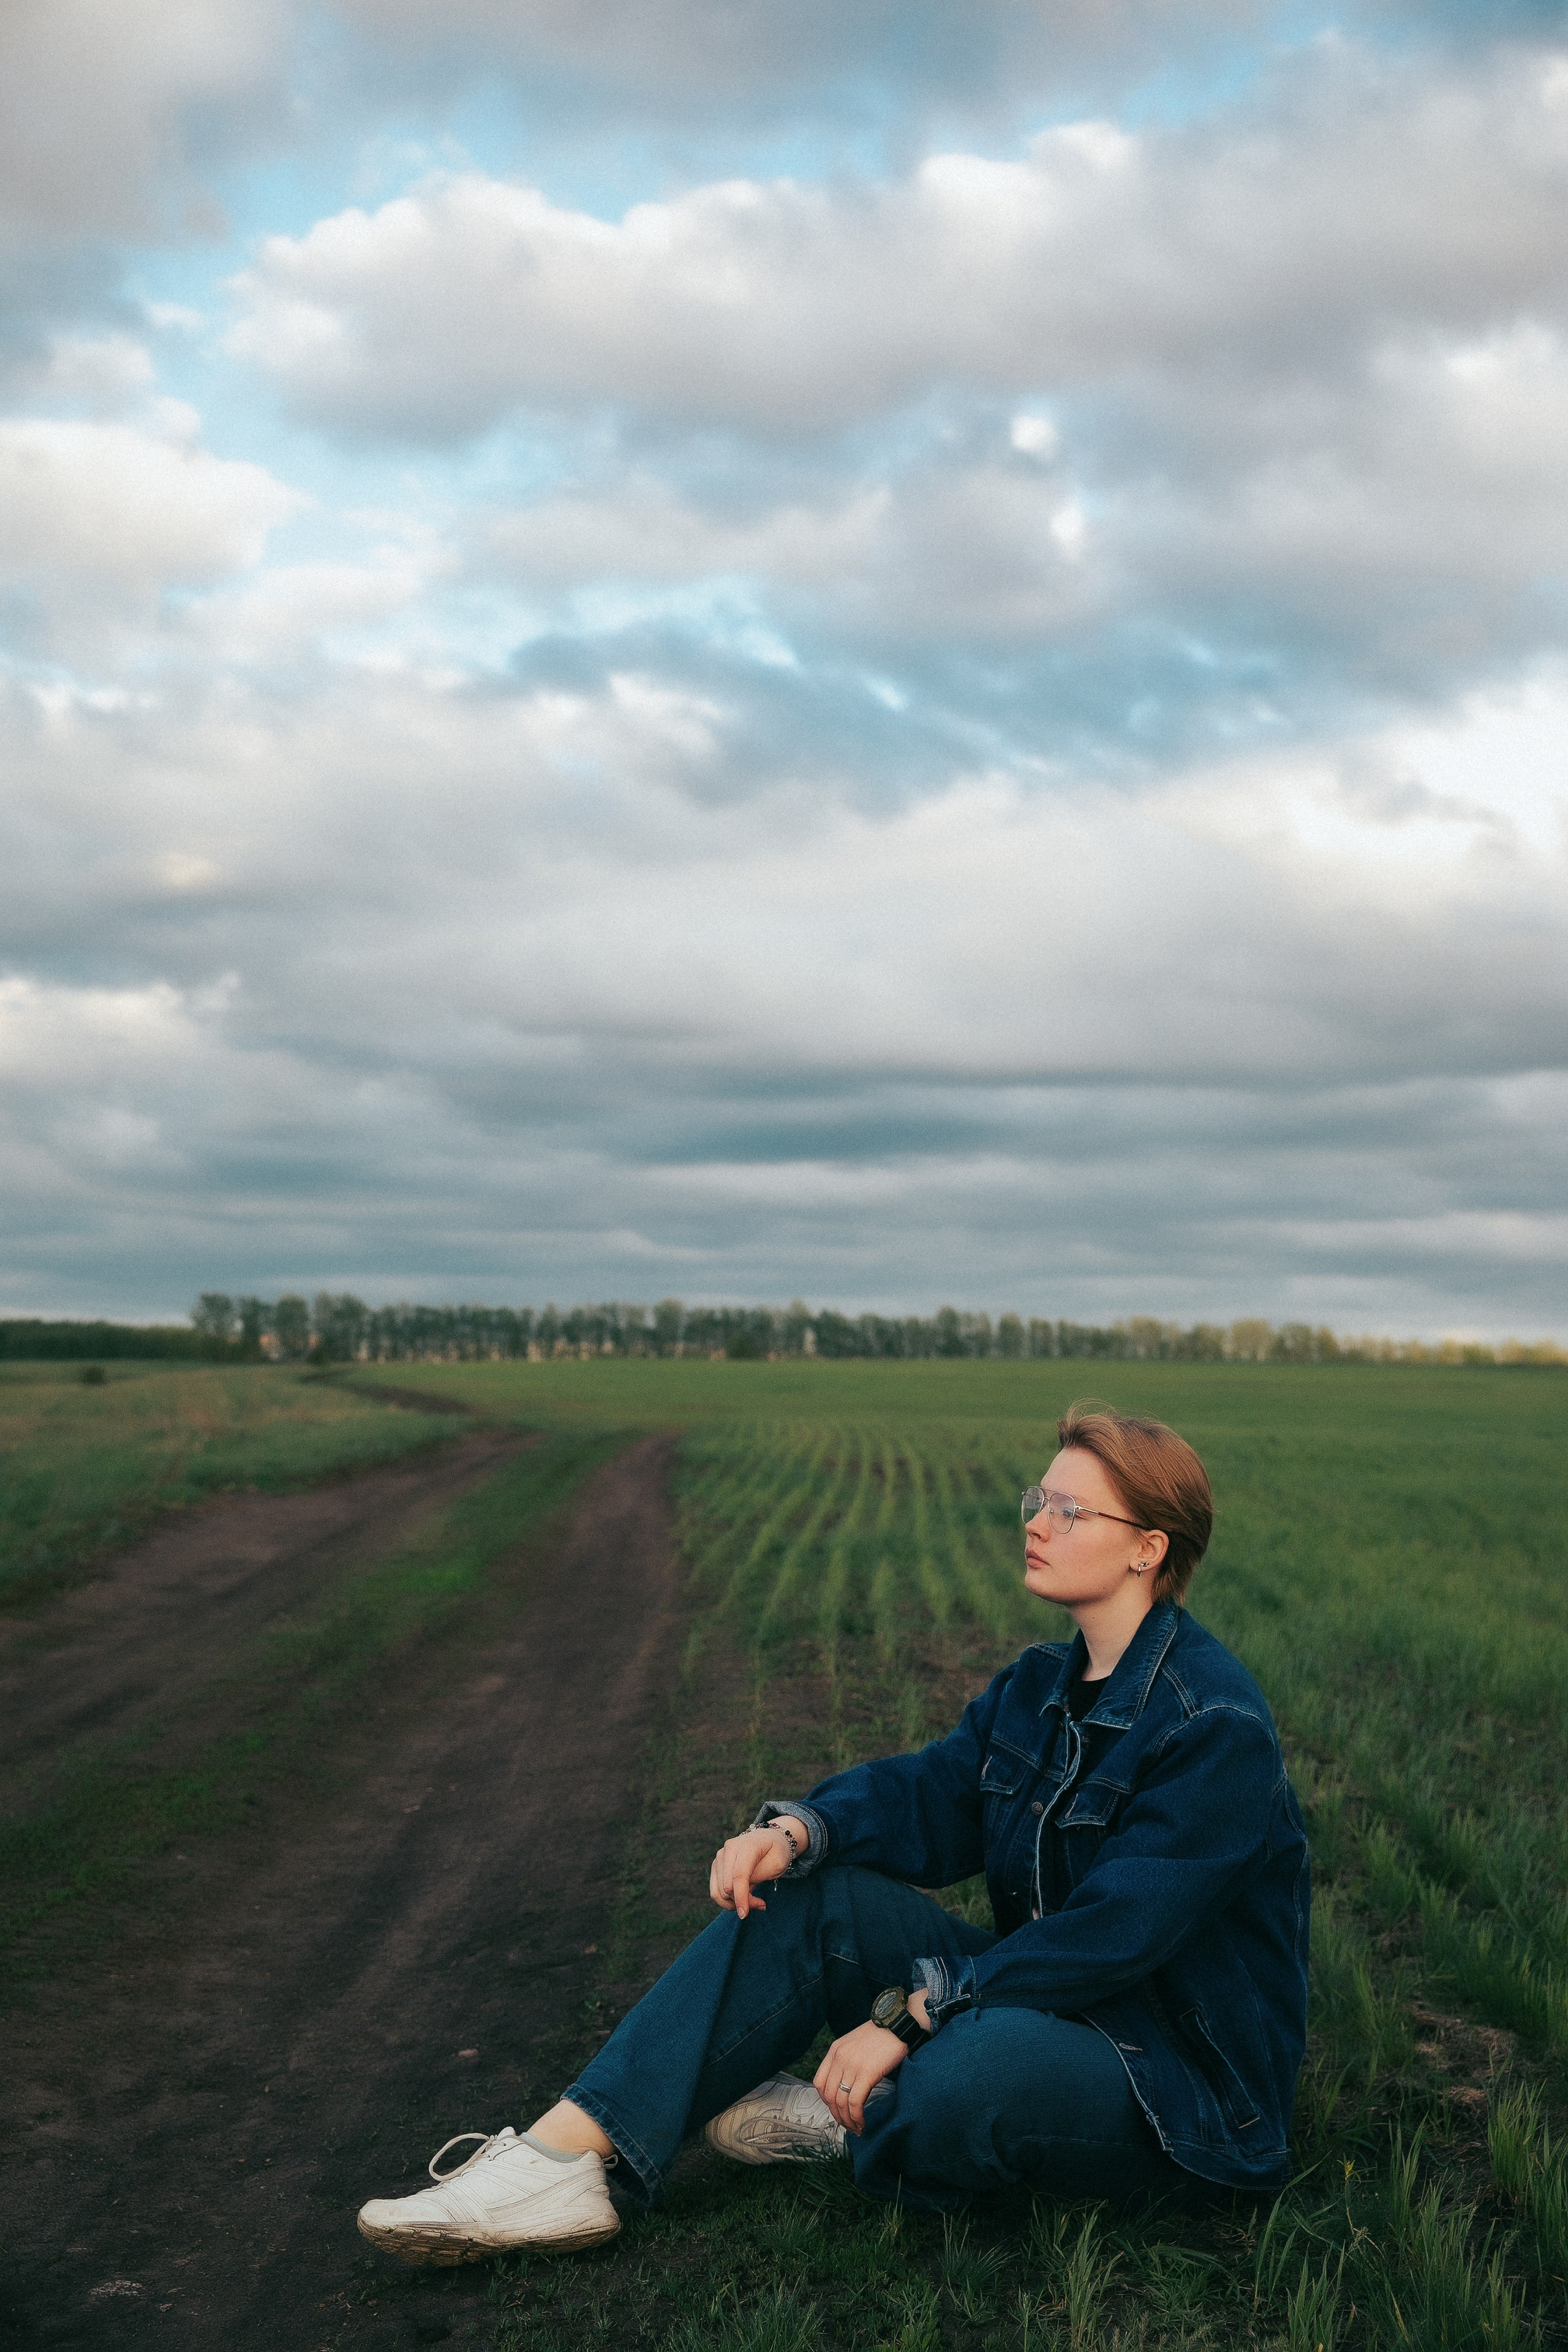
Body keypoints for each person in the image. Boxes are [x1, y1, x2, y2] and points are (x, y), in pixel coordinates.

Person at [357, 1402, 1310, 2263]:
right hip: (1051, 2002)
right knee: (816, 1899)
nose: (1035, 1522)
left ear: (1148, 1547)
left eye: (1070, 1511)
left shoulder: (1211, 1726)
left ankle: (850, 2114)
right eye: (1039, 1498)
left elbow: (1117, 1935)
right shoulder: (1038, 1686)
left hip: (1170, 2082)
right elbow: (934, 1797)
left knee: (967, 2074)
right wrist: (800, 1830)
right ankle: (560, 2160)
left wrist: (914, 2011)